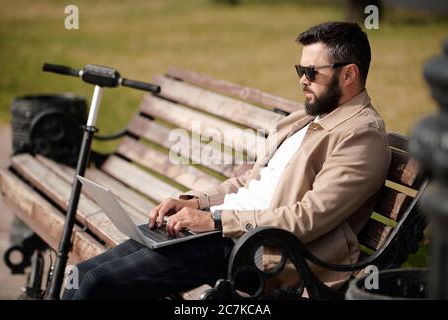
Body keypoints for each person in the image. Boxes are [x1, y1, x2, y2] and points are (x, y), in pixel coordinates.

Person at [62, 21, 391, 300]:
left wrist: (215, 222)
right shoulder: (303, 119)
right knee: (82, 274)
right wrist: (193, 202)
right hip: (227, 232)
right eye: (299, 70)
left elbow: (305, 219)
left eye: (311, 71)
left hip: (262, 252)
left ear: (349, 74)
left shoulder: (361, 136)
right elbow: (250, 183)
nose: (302, 79)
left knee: (95, 285)